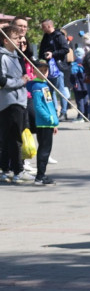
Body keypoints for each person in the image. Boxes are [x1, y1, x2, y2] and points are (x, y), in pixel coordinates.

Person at [0, 29, 30, 184]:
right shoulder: (3, 56)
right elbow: (2, 81)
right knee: (15, 138)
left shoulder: (16, 56)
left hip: (18, 101)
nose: (19, 40)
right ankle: (18, 170)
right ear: (6, 40)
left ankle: (5, 169)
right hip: (11, 102)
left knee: (9, 137)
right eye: (16, 38)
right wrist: (21, 82)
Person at [26, 61, 59, 185]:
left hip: (48, 123)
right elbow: (38, 106)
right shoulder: (37, 87)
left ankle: (41, 175)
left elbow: (49, 104)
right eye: (41, 70)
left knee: (46, 149)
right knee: (44, 150)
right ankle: (40, 177)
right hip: (43, 123)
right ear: (34, 71)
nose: (44, 72)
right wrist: (49, 119)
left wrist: (54, 122)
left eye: (46, 70)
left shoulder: (44, 84)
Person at [38, 19, 71, 119]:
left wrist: (53, 54)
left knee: (60, 91)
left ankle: (64, 111)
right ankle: (52, 110)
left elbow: (66, 49)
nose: (42, 29)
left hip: (57, 68)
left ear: (49, 26)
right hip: (47, 69)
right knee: (48, 91)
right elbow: (41, 50)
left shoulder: (59, 36)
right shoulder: (46, 37)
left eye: (43, 27)